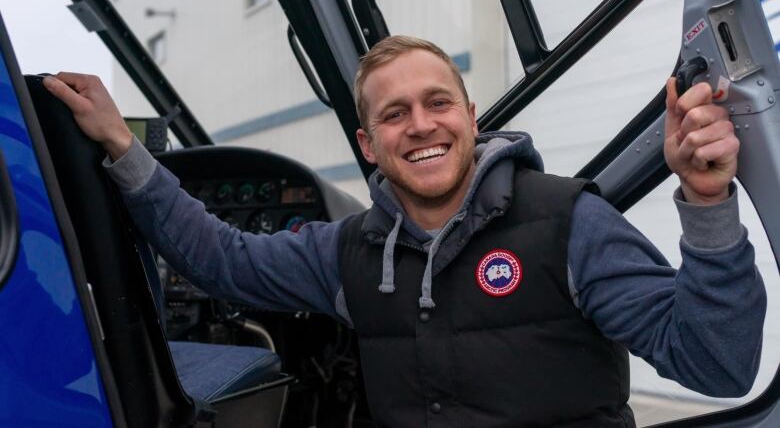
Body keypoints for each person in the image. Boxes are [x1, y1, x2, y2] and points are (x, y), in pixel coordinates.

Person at [42, 36, 765, 427]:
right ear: (368, 143)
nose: (420, 124)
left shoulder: (571, 224)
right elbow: (222, 260)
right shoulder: (347, 252)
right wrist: (122, 147)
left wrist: (706, 199)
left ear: (471, 117)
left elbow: (717, 363)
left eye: (436, 102)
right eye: (394, 115)